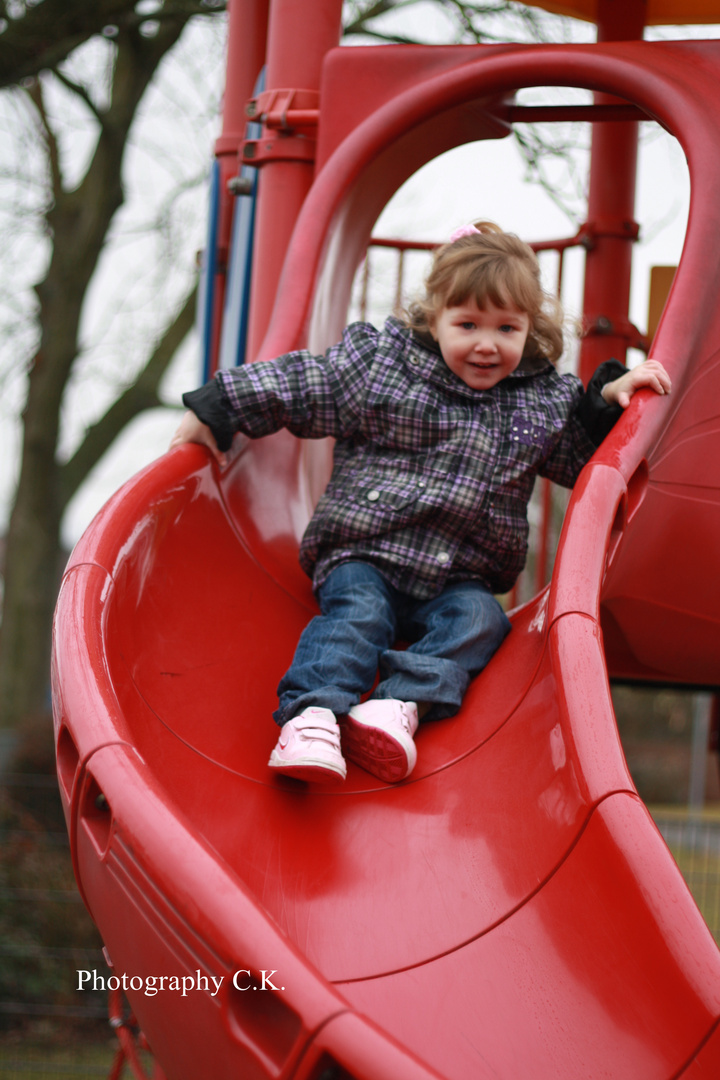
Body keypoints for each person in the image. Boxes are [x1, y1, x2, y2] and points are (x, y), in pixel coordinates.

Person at [170, 221, 671, 786]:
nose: (487, 343)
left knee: (483, 622)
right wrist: (220, 402)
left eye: (507, 327)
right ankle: (312, 715)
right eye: (468, 324)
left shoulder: (542, 402)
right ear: (434, 321)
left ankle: (395, 706)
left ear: (530, 331)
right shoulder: (385, 369)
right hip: (366, 554)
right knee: (359, 617)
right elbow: (307, 383)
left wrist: (608, 401)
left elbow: (581, 461)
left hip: (461, 576)